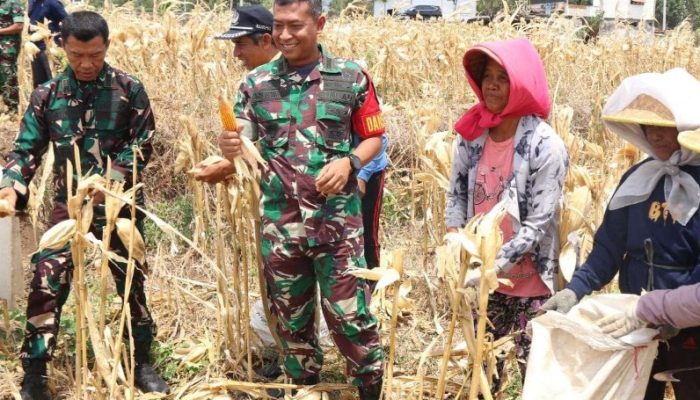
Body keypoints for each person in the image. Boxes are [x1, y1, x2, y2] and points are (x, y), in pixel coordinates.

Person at [218, 0, 386, 398]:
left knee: (350, 317)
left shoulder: (351, 77)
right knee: (291, 321)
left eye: (295, 26)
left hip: (337, 224)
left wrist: (349, 162)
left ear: (320, 23)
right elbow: (241, 138)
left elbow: (374, 137)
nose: (285, 35)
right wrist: (229, 144)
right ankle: (304, 386)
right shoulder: (255, 84)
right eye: (278, 27)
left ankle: (369, 385)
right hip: (281, 223)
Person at [0, 11, 169, 399]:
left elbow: (144, 145)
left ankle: (141, 360)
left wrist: (112, 181)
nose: (87, 63)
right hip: (69, 209)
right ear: (63, 48)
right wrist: (12, 186)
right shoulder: (48, 95)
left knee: (131, 283)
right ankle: (36, 370)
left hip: (119, 208)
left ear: (106, 46)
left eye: (94, 54)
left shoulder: (129, 89)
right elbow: (26, 149)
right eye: (77, 55)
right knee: (47, 279)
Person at [542, 68, 700, 400]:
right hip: (634, 319)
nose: (656, 135)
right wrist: (575, 291)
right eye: (649, 126)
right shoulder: (637, 179)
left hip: (690, 324)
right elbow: (609, 249)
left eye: (665, 125)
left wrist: (674, 315)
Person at [445, 38, 568, 381]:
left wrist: (492, 267)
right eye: (487, 76)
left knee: (537, 373)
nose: (492, 84)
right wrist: (456, 242)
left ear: (522, 84)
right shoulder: (472, 135)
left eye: (503, 76)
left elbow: (538, 223)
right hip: (484, 279)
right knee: (484, 373)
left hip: (530, 283)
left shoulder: (545, 146)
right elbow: (455, 194)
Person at [28, 0, 67, 88]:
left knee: (53, 81)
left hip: (49, 49)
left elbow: (67, 20)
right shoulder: (32, 3)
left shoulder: (52, 3)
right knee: (39, 84)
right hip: (35, 49)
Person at [0, 0, 23, 112]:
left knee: (8, 74)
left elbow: (19, 26)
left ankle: (12, 108)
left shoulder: (13, 2)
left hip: (8, 47)